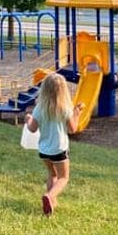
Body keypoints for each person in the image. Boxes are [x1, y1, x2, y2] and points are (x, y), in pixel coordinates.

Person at [25, 73, 84, 216]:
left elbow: (32, 128)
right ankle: (50, 196)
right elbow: (73, 128)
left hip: (44, 150)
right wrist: (77, 113)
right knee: (63, 177)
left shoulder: (39, 108)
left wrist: (28, 119)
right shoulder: (65, 109)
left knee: (52, 174)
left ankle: (52, 203)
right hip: (59, 149)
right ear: (63, 91)